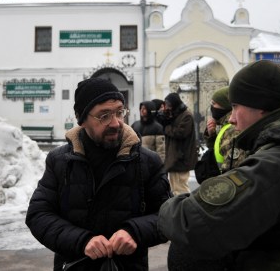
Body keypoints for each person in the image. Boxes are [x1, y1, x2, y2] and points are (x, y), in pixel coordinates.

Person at [158, 60, 280, 270]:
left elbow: (192, 223)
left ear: (260, 106)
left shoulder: (278, 164)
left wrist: (165, 208)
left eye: (235, 107)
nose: (231, 118)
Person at [25, 78, 171, 271]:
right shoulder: (60, 161)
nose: (115, 123)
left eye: (120, 112)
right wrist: (81, 241)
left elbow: (169, 215)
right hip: (75, 265)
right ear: (82, 119)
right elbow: (38, 215)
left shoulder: (146, 161)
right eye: (104, 116)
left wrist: (135, 232)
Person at [170, 86, 244, 271]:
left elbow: (230, 166)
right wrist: (211, 136)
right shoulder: (224, 127)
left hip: (223, 198)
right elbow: (219, 153)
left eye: (215, 104)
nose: (211, 107)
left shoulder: (232, 129)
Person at [159, 92, 198, 195]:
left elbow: (180, 133)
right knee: (174, 188)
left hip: (181, 158)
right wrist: (165, 119)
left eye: (169, 104)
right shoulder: (175, 115)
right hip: (174, 158)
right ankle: (178, 208)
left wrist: (166, 127)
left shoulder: (186, 116)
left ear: (174, 104)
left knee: (181, 188)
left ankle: (184, 208)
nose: (167, 107)